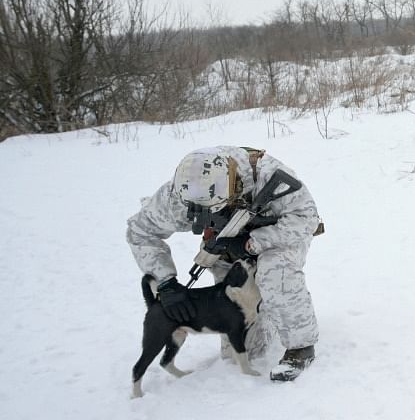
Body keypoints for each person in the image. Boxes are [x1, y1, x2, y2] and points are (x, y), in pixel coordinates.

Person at [126, 146, 322, 382]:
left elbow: (305, 219)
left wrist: (252, 243)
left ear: (233, 185)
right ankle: (265, 315)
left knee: (273, 273)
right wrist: (166, 282)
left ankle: (301, 346)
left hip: (280, 236)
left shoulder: (268, 174)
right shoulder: (179, 194)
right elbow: (140, 231)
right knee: (241, 351)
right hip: (225, 244)